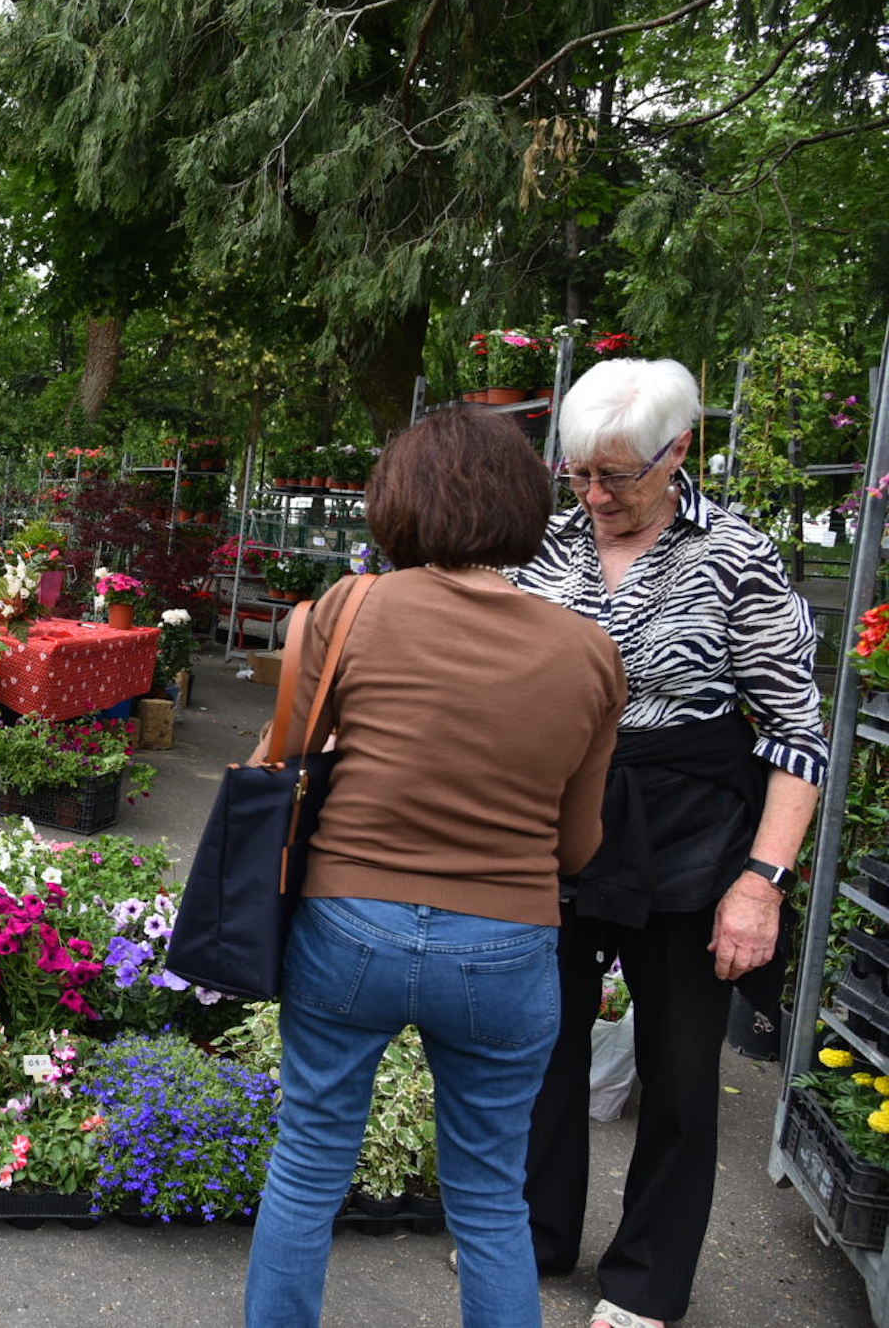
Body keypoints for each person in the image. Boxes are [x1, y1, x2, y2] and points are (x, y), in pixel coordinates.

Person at [242, 407, 625, 1328]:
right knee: (493, 1199)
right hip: (506, 946)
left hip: (348, 924)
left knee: (306, 1165)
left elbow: (274, 764)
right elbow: (579, 848)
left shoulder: (351, 608)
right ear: (526, 507)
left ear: (397, 502)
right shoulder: (589, 652)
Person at [518, 358, 827, 1328]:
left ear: (677, 449)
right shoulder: (545, 541)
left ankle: (645, 1280)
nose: (596, 495)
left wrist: (759, 882)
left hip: (691, 830)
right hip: (560, 818)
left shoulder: (735, 553)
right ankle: (531, 1233)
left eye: (617, 474)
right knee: (538, 1040)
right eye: (579, 473)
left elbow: (794, 735)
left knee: (682, 1067)